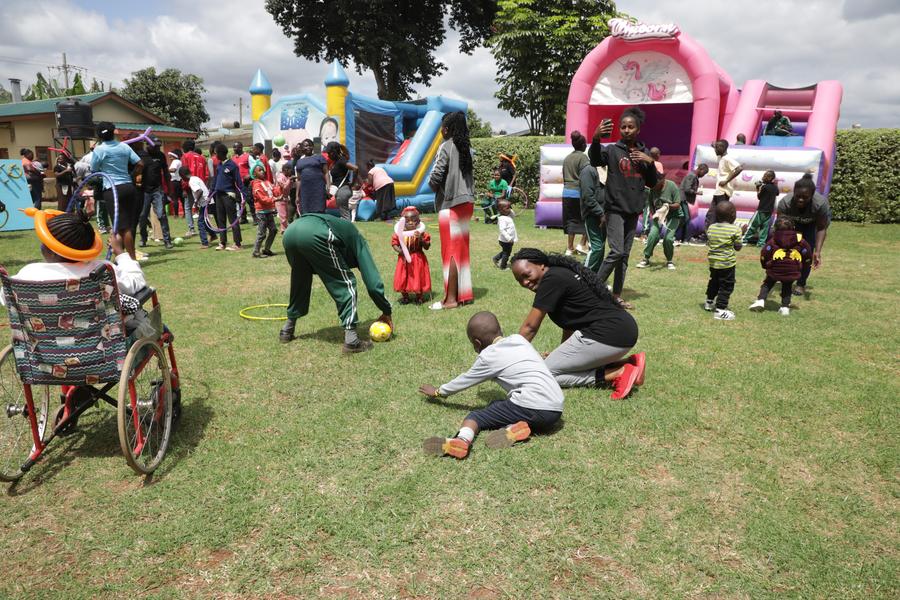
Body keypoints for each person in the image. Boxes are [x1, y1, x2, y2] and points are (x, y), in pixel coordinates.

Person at [2, 208, 180, 421]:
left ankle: (72, 392)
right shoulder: (102, 271)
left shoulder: (26, 275)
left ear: (51, 250)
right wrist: (121, 254)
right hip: (104, 357)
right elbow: (137, 283)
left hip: (45, 358)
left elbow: (5, 298)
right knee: (150, 321)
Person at [419, 311, 564, 460]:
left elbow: (464, 380)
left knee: (476, 416)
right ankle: (513, 428)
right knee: (498, 405)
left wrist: (438, 391)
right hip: (555, 409)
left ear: (477, 343)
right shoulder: (519, 339)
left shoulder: (488, 357)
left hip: (532, 405)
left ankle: (462, 440)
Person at [510, 248, 645, 400]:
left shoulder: (551, 279)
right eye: (519, 280)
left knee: (543, 374)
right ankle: (630, 363)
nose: (525, 282)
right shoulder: (560, 273)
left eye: (527, 275)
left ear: (541, 265)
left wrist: (510, 355)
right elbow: (569, 323)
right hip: (622, 331)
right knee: (553, 365)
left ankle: (617, 373)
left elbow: (530, 327)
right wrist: (561, 352)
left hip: (608, 335)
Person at [279, 212, 393, 354]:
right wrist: (386, 311)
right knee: (346, 283)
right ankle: (352, 341)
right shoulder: (358, 240)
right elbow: (373, 282)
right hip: (315, 233)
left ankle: (287, 330)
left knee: (300, 281)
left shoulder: (343, 231)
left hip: (290, 232)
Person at [589, 107, 659, 309]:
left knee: (624, 256)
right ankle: (591, 288)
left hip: (633, 210)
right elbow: (595, 160)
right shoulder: (612, 150)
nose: (627, 130)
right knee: (617, 251)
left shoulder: (644, 153)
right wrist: (596, 139)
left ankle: (616, 296)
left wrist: (650, 162)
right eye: (623, 127)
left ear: (638, 129)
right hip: (615, 209)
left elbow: (652, 183)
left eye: (631, 127)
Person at [428, 111, 475, 310]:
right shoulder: (468, 149)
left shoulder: (446, 146)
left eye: (442, 127)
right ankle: (464, 295)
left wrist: (432, 186)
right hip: (467, 203)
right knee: (462, 250)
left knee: (451, 253)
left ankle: (451, 300)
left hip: (450, 204)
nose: (440, 130)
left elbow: (436, 175)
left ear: (446, 129)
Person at [90, 122, 142, 259]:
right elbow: (140, 163)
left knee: (122, 228)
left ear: (99, 136)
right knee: (124, 226)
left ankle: (131, 259)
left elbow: (94, 169)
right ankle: (121, 258)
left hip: (112, 189)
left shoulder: (100, 149)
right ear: (113, 132)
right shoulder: (124, 146)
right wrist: (132, 176)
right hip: (128, 187)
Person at [774, 173, 831, 297]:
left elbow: (821, 228)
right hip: (791, 224)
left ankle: (801, 283)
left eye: (805, 197)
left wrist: (817, 251)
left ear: (812, 195)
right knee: (787, 251)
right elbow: (780, 227)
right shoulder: (785, 203)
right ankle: (784, 276)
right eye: (798, 196)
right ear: (794, 192)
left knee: (807, 253)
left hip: (812, 225)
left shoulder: (820, 204)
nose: (800, 200)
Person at [749, 215, 812, 316]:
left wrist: (765, 264)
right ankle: (785, 307)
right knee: (787, 286)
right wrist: (804, 265)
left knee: (767, 283)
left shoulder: (773, 239)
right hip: (792, 269)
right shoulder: (800, 240)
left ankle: (760, 300)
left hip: (775, 268)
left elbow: (765, 252)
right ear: (793, 228)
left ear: (775, 228)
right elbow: (807, 253)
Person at [704, 200, 743, 320]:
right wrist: (742, 233)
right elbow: (738, 248)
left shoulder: (711, 228)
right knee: (726, 285)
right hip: (727, 263)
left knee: (714, 281)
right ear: (733, 215)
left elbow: (710, 242)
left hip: (713, 262)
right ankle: (720, 310)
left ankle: (709, 302)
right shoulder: (735, 229)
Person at [636, 174, 682, 270]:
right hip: (659, 214)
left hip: (674, 215)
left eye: (655, 184)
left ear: (662, 180)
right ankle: (646, 259)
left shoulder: (672, 186)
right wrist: (655, 215)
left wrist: (667, 206)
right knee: (652, 235)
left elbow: (677, 204)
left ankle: (669, 260)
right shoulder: (652, 189)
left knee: (668, 239)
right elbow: (651, 205)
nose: (654, 187)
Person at [391, 206, 431, 304]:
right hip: (403, 259)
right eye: (407, 221)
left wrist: (421, 239)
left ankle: (419, 296)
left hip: (417, 258)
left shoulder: (421, 233)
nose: (410, 222)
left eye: (413, 220)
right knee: (403, 277)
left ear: (418, 222)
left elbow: (427, 246)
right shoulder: (399, 233)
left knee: (418, 276)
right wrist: (401, 251)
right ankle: (405, 296)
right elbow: (394, 244)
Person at [137, 144, 173, 250]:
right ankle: (143, 238)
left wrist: (169, 189)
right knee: (142, 216)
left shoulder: (161, 155)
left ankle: (167, 240)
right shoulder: (141, 155)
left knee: (161, 215)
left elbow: (166, 172)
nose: (158, 148)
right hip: (144, 190)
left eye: (159, 146)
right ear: (148, 145)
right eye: (155, 146)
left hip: (157, 189)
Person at [210, 143, 244, 251]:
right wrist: (210, 193)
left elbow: (239, 182)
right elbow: (215, 181)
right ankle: (222, 242)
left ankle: (237, 243)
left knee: (233, 219)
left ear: (221, 153)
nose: (215, 156)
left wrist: (243, 196)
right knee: (221, 220)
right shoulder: (219, 165)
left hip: (228, 195)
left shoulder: (232, 165)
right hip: (218, 195)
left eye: (216, 153)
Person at [705, 139, 743, 232]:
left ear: (722, 147)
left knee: (719, 214)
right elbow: (718, 148)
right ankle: (709, 233)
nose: (715, 150)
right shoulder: (721, 158)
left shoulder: (727, 159)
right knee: (712, 213)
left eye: (717, 147)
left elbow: (739, 168)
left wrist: (726, 181)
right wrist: (714, 145)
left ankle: (717, 233)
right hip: (719, 191)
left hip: (723, 191)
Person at [562, 131, 590, 255]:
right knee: (588, 218)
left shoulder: (567, 158)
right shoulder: (583, 158)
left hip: (567, 193)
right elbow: (586, 176)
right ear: (582, 145)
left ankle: (569, 248)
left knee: (571, 220)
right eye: (585, 144)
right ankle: (582, 244)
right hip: (579, 192)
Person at [579, 159, 606, 272]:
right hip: (593, 214)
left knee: (601, 247)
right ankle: (584, 276)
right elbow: (587, 196)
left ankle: (596, 276)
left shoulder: (605, 170)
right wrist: (600, 213)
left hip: (604, 215)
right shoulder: (588, 170)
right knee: (597, 247)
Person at [178, 166, 211, 248]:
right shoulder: (195, 178)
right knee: (204, 221)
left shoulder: (191, 181)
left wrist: (195, 202)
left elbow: (200, 191)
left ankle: (204, 243)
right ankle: (213, 235)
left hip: (204, 202)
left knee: (200, 223)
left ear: (183, 176)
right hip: (208, 201)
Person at [743, 170, 778, 247]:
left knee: (753, 225)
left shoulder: (764, 187)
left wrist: (758, 188)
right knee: (764, 228)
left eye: (765, 176)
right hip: (769, 211)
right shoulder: (774, 187)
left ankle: (744, 240)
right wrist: (774, 184)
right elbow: (777, 193)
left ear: (770, 178)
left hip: (761, 210)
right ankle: (761, 243)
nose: (763, 177)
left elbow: (759, 197)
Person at [294, 138, 328, 215]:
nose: (308, 147)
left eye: (310, 145)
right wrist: (297, 195)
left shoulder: (319, 157)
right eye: (306, 146)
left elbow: (326, 172)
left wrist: (328, 186)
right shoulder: (299, 162)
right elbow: (299, 180)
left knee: (319, 210)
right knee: (306, 211)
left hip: (318, 188)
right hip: (305, 190)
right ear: (302, 148)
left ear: (313, 147)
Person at [250, 165, 278, 258]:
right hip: (261, 212)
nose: (262, 171)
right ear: (254, 174)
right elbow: (262, 199)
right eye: (259, 170)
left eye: (262, 170)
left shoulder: (267, 182)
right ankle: (256, 252)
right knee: (262, 233)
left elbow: (275, 191)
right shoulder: (256, 185)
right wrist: (274, 199)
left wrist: (281, 187)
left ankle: (266, 249)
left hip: (269, 211)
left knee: (273, 230)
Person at [325, 142, 358, 221]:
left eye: (329, 153)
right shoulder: (336, 161)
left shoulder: (341, 160)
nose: (328, 155)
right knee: (344, 215)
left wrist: (353, 183)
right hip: (340, 190)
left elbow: (355, 168)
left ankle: (347, 228)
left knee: (345, 216)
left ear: (334, 152)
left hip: (343, 190)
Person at [677, 163, 708, 244]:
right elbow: (687, 189)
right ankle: (678, 236)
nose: (703, 175)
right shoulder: (692, 176)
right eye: (704, 173)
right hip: (682, 199)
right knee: (686, 218)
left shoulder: (693, 175)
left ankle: (684, 239)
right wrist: (696, 192)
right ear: (700, 169)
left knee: (685, 219)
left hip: (683, 199)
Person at [492, 199, 517, 270]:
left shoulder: (508, 216)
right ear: (501, 210)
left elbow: (513, 215)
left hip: (508, 240)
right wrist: (508, 238)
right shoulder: (502, 219)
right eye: (507, 208)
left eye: (510, 207)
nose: (509, 209)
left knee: (505, 251)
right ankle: (503, 266)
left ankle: (496, 258)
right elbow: (502, 230)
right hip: (505, 240)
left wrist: (510, 209)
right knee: (507, 253)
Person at [275, 163, 293, 232]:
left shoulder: (286, 177)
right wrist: (289, 180)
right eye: (290, 170)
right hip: (280, 198)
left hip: (285, 198)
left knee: (286, 215)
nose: (291, 172)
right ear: (286, 169)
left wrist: (291, 181)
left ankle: (285, 228)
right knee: (283, 215)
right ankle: (284, 230)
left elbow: (289, 188)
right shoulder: (280, 177)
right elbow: (284, 187)